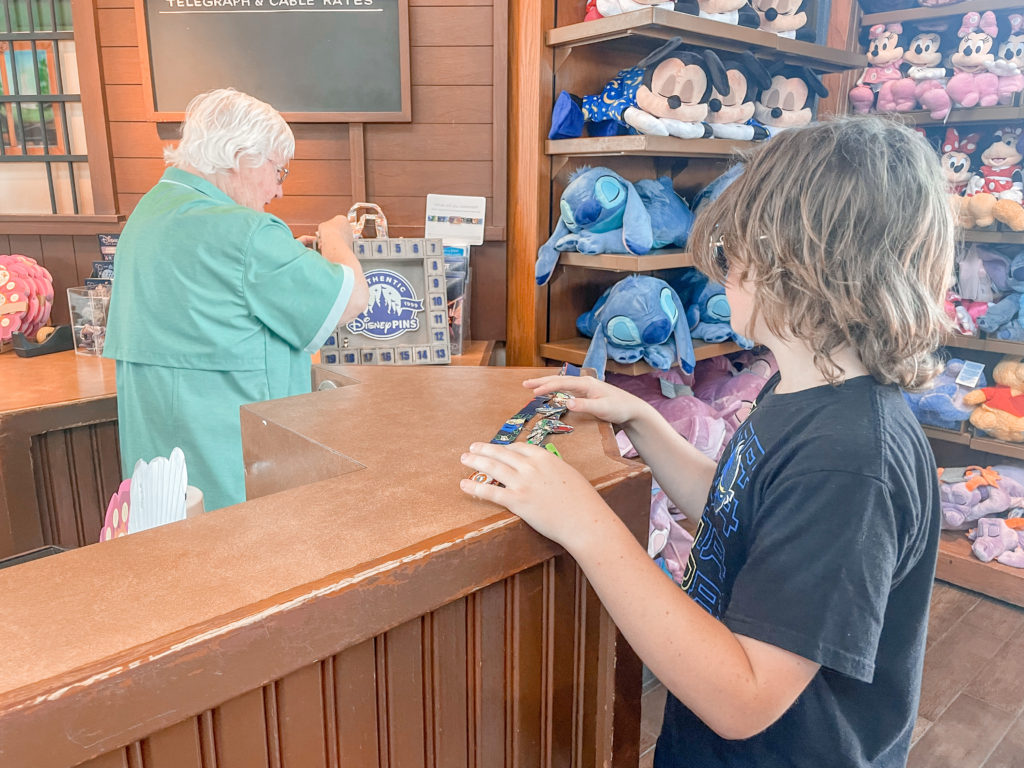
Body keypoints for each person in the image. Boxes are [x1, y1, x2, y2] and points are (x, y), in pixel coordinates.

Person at [460, 116, 954, 767]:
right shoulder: (805, 386)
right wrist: (643, 422)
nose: (722, 271)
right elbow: (737, 516)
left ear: (807, 266)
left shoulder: (850, 462)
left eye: (739, 251)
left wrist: (585, 522)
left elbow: (744, 698)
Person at [104, 88, 368, 512]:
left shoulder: (148, 214)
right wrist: (337, 237)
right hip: (237, 483)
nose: (278, 191)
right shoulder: (247, 231)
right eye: (279, 172)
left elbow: (218, 292)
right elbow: (352, 298)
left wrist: (288, 259)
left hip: (159, 487)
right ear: (242, 154)